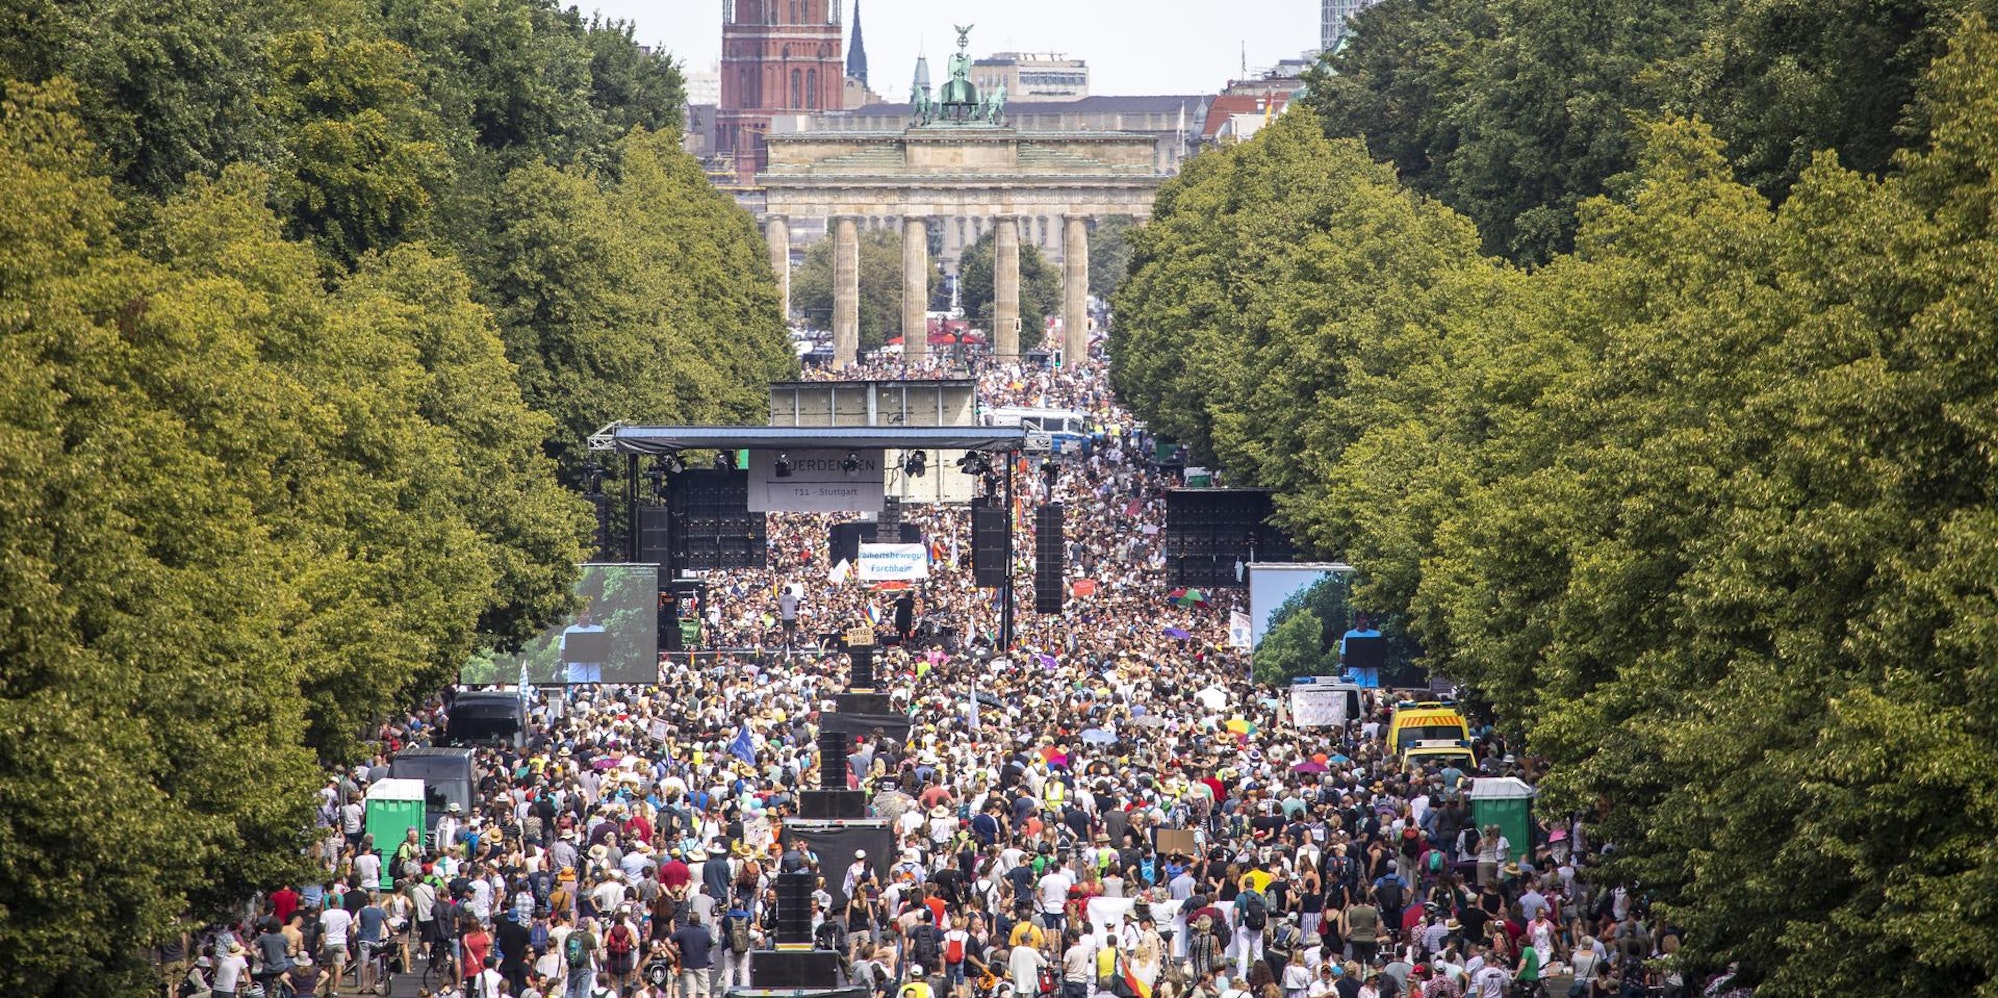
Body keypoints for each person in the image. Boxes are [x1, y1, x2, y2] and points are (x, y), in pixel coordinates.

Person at [668, 911, 715, 998]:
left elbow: (667, 942)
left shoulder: (682, 932)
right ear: (699, 920)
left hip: (687, 964)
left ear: (689, 920)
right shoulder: (704, 933)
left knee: (691, 991)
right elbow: (710, 946)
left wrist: (676, 951)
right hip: (701, 964)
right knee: (704, 991)